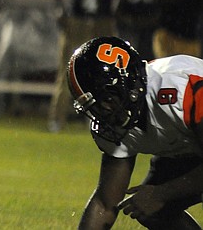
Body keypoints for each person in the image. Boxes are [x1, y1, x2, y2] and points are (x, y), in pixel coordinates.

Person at [68, 36, 203, 228]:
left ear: (128, 82)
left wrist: (161, 193)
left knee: (155, 199)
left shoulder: (179, 87)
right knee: (152, 211)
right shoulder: (115, 120)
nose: (102, 112)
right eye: (93, 107)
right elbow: (105, 204)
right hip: (191, 147)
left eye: (106, 99)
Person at [48, 0, 121, 133]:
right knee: (66, 69)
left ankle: (101, 118)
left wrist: (115, 8)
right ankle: (57, 118)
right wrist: (60, 8)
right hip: (77, 21)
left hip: (101, 21)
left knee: (103, 73)